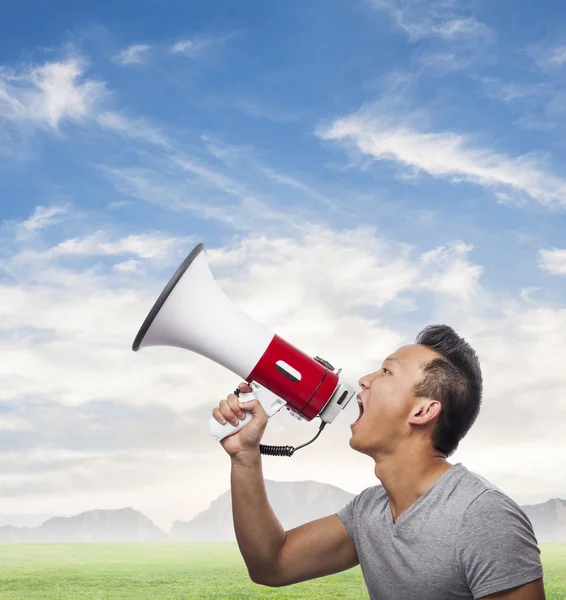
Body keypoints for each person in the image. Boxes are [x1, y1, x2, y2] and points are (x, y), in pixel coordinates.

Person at [211, 324, 545, 599]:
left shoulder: (483, 517)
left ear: (423, 411)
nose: (364, 380)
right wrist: (244, 456)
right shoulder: (370, 512)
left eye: (386, 371)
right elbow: (273, 564)